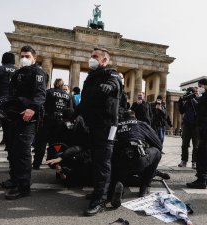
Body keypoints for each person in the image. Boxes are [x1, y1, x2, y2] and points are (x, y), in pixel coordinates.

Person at [76, 47, 122, 216]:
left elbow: (115, 83)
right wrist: (74, 114)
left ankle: (101, 200)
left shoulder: (111, 74)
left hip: (107, 124)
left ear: (104, 60)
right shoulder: (90, 78)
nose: (92, 59)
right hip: (93, 124)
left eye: (95, 56)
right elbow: (85, 101)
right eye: (91, 56)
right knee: (95, 160)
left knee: (103, 162)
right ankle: (98, 192)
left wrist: (109, 87)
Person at [0, 45, 47, 200]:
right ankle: (14, 180)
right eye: (22, 56)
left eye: (27, 56)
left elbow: (40, 94)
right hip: (14, 115)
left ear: (34, 58)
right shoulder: (18, 73)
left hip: (29, 117)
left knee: (22, 152)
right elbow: (11, 93)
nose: (24, 58)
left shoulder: (38, 72)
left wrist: (32, 108)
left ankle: (23, 187)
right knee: (12, 150)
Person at [110, 110, 162, 208]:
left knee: (120, 168)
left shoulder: (116, 125)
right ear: (135, 117)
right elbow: (158, 144)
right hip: (138, 159)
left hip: (119, 161)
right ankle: (144, 188)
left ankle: (118, 185)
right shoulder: (141, 124)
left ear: (123, 118)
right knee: (157, 152)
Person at [32, 78, 74, 169]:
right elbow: (70, 110)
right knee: (55, 144)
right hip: (60, 122)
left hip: (47, 120)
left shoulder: (49, 92)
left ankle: (36, 164)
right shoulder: (68, 96)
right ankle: (51, 163)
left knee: (41, 143)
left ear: (54, 84)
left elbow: (41, 105)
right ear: (62, 85)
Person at [177, 87, 199, 169]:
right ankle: (184, 161)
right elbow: (182, 111)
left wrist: (192, 99)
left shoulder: (199, 100)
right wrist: (180, 102)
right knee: (184, 145)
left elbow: (198, 108)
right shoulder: (187, 101)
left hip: (196, 126)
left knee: (196, 145)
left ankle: (194, 162)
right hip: (187, 125)